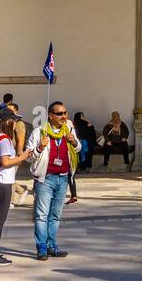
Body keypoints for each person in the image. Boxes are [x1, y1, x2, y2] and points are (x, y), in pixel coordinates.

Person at [28, 100, 79, 261]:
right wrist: (40, 147)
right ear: (50, 116)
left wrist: (73, 141)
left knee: (55, 215)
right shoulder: (39, 132)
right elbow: (29, 157)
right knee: (41, 215)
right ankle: (41, 246)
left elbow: (78, 149)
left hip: (63, 178)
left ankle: (51, 245)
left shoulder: (68, 129)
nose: (64, 116)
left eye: (65, 113)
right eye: (60, 113)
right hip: (45, 179)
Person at [0, 112, 31, 266]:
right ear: (8, 122)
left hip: (0, 182)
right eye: (15, 120)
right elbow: (5, 162)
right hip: (2, 184)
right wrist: (22, 157)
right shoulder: (4, 140)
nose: (16, 124)